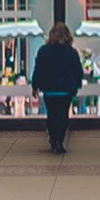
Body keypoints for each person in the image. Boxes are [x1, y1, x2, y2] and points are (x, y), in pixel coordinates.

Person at [32, 23, 84, 154]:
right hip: (65, 90)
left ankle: (53, 138)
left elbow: (38, 70)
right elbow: (78, 71)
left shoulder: (43, 51)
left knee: (52, 115)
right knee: (63, 116)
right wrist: (78, 84)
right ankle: (59, 141)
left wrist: (35, 86)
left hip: (49, 90)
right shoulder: (71, 52)